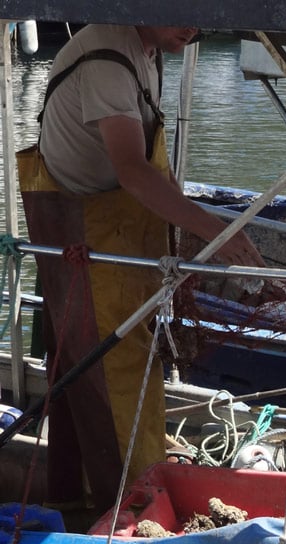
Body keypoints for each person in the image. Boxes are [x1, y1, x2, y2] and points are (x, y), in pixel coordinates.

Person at [17, 24, 266, 511]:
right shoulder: (108, 59)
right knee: (111, 391)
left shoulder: (147, 51)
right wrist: (213, 230)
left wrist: (188, 229)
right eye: (181, 12)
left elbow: (147, 174)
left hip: (123, 247)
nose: (192, 27)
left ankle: (100, 501)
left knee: (120, 381)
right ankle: (129, 517)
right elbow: (132, 169)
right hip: (88, 249)